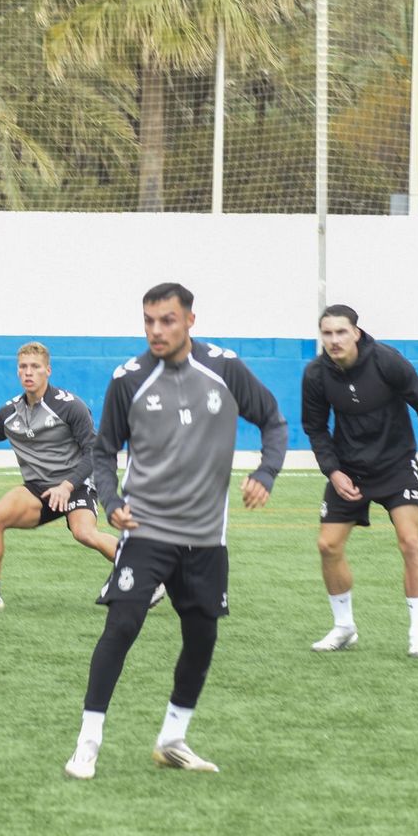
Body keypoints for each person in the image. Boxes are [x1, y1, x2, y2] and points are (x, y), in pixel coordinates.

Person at [64, 283, 287, 780]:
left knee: (201, 635)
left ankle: (173, 738)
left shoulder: (225, 369)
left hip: (207, 536)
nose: (156, 331)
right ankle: (88, 742)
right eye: (148, 321)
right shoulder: (129, 378)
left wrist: (266, 472)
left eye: (167, 320)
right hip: (146, 529)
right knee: (122, 625)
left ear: (190, 320)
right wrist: (113, 501)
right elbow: (104, 451)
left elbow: (273, 420)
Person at [302, 304, 418, 659]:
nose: (334, 340)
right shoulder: (316, 375)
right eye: (327, 333)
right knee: (328, 546)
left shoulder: (387, 361)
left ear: (356, 332)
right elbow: (316, 428)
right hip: (349, 469)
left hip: (396, 466)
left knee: (410, 541)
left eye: (340, 332)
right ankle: (344, 627)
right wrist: (333, 471)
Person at [0, 341, 154, 611]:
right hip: (38, 490)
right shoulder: (10, 413)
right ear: (17, 372)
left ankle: (149, 575)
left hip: (76, 485)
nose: (28, 372)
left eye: (35, 367)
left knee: (84, 533)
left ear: (47, 371)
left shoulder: (69, 406)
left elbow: (94, 452)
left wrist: (67, 485)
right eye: (23, 367)